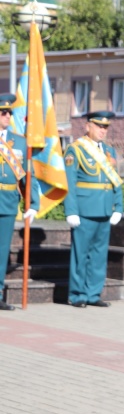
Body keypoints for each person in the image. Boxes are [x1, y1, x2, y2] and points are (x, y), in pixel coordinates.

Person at [64, 111, 124, 308]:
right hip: (84, 210)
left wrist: (119, 207)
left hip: (105, 210)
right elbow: (69, 183)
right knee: (81, 254)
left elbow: (116, 182)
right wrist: (71, 210)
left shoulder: (109, 152)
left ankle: (93, 293)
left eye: (105, 127)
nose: (102, 130)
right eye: (99, 126)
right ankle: (77, 294)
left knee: (99, 255)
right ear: (88, 126)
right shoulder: (76, 150)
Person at [0, 95, 39, 311]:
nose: (7, 116)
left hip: (7, 201)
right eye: (3, 112)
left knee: (1, 250)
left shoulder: (21, 142)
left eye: (9, 113)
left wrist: (32, 203)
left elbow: (27, 176)